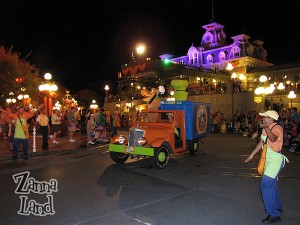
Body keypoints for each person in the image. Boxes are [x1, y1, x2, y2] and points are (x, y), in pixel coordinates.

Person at [244, 110, 288, 224]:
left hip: (275, 161)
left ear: (271, 119)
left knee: (266, 185)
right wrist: (252, 154)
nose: (263, 119)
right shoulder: (265, 128)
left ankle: (274, 214)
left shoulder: (277, 128)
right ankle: (277, 207)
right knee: (271, 185)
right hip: (268, 160)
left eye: (265, 117)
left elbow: (273, 139)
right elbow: (262, 143)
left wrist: (267, 128)